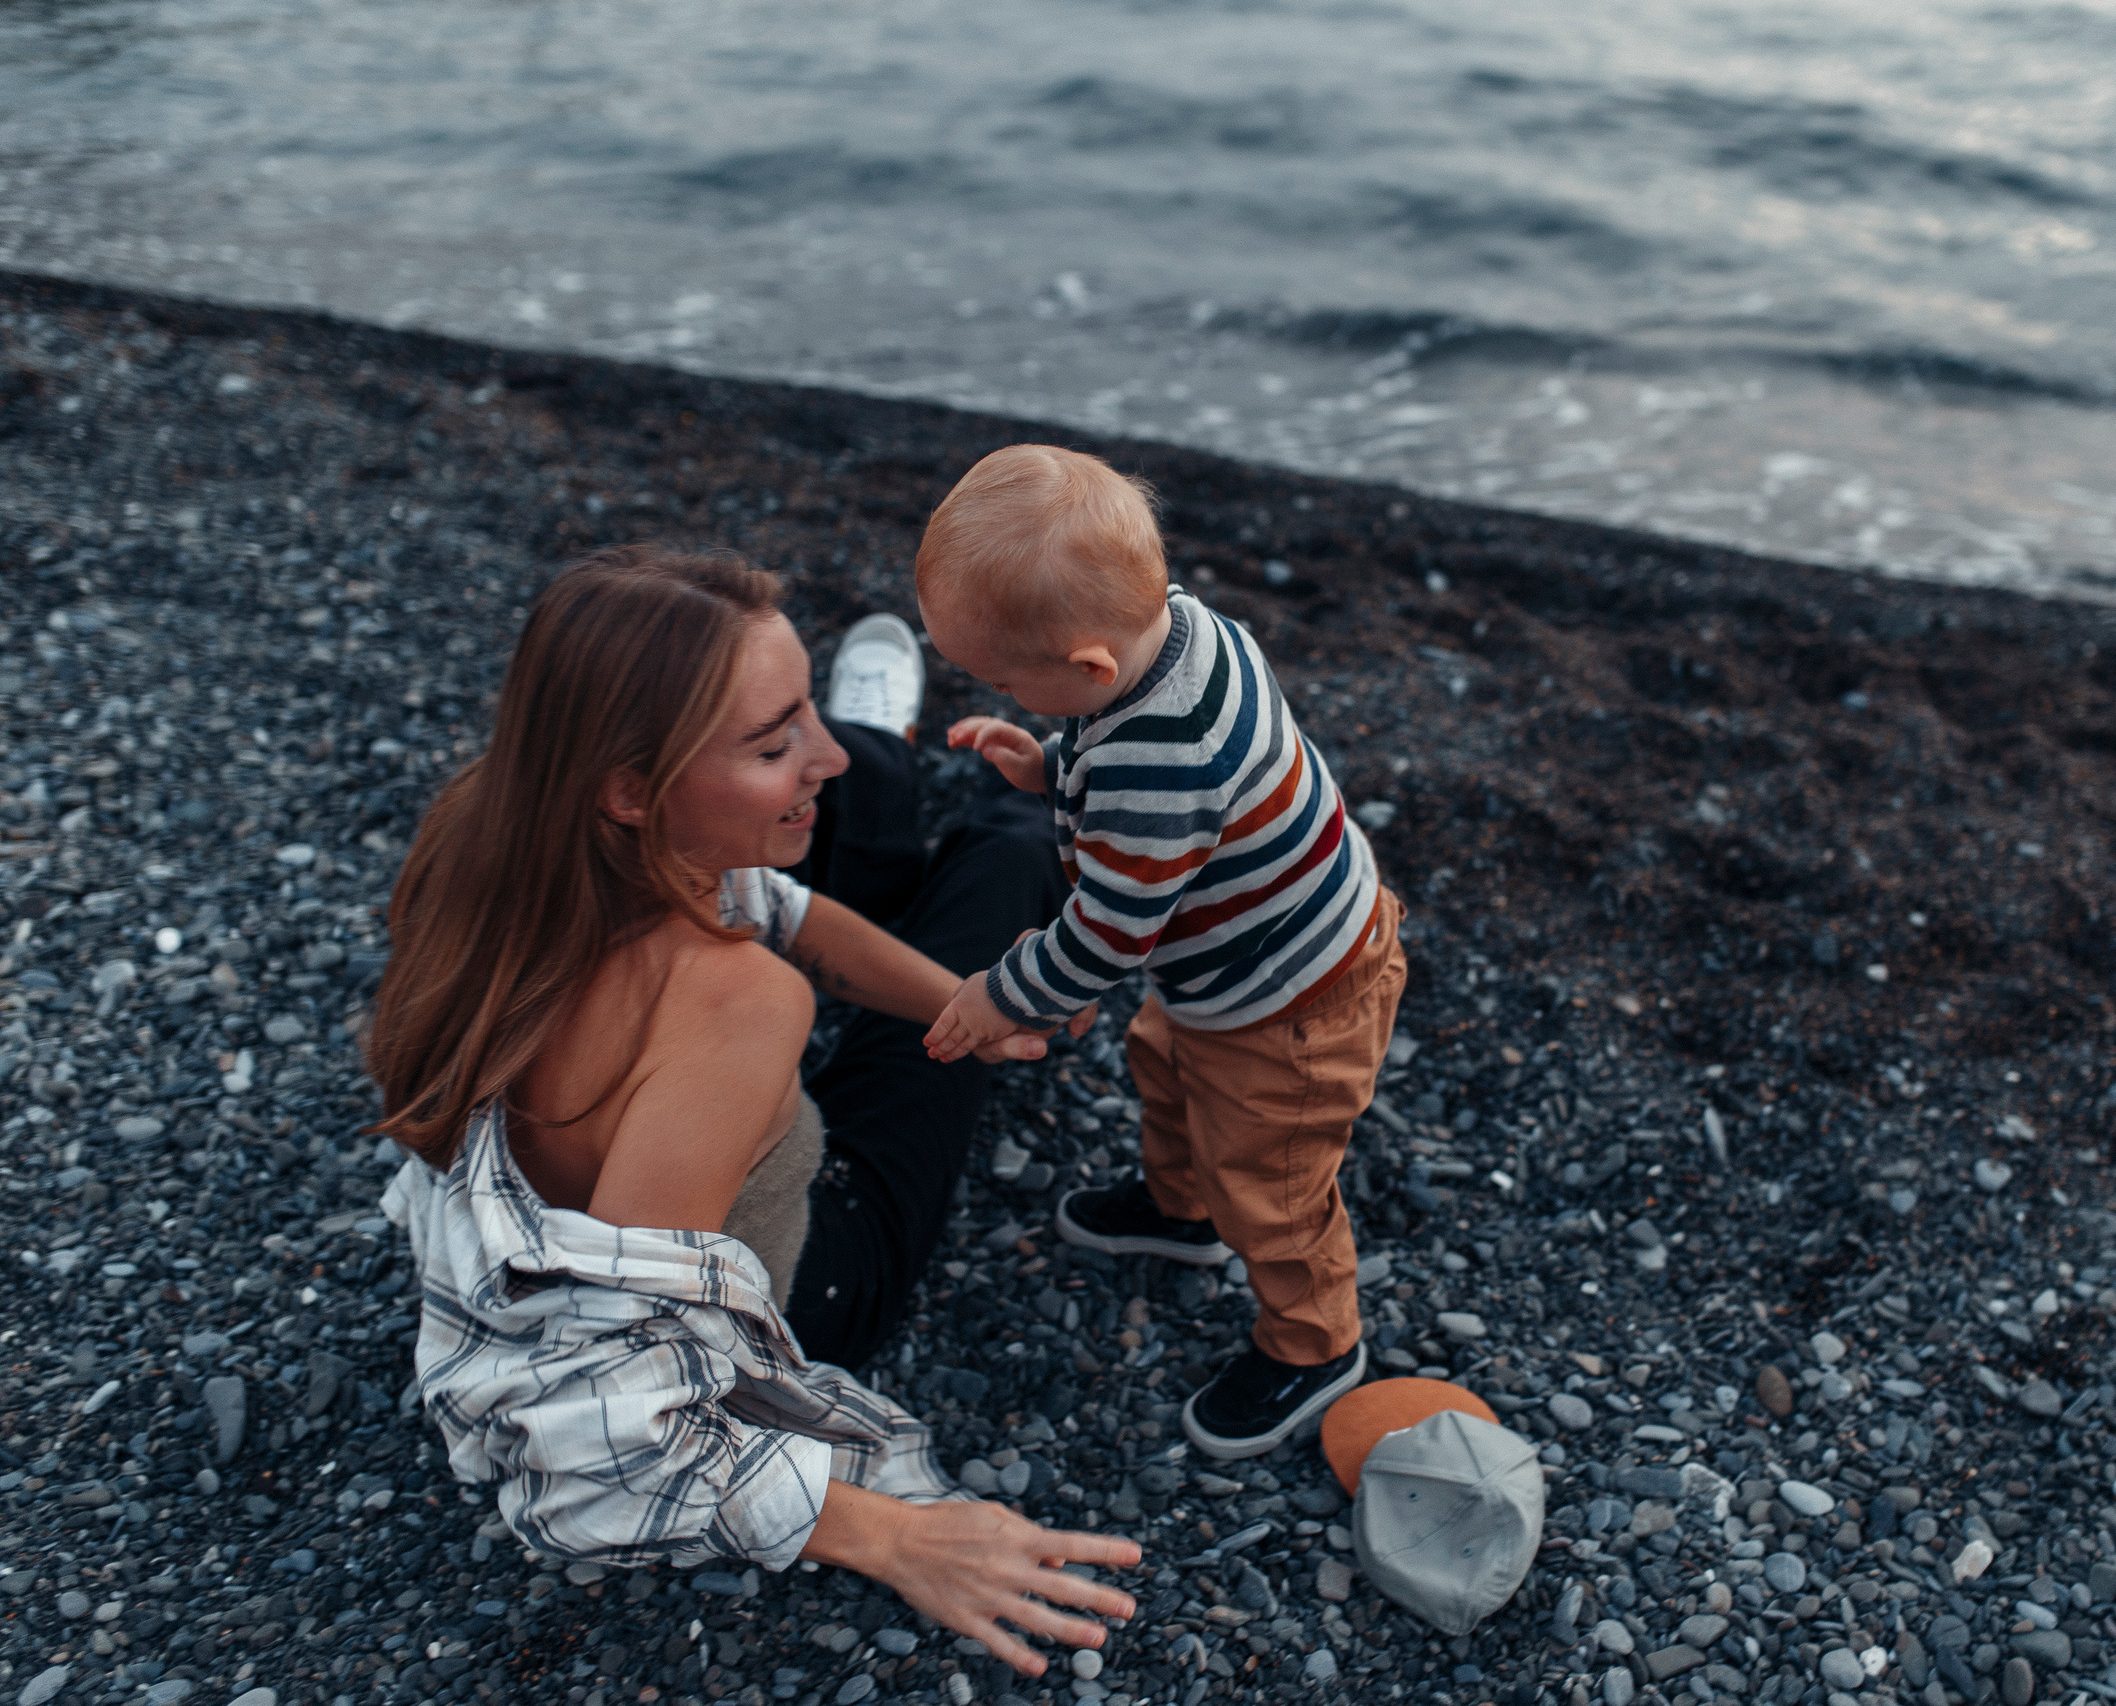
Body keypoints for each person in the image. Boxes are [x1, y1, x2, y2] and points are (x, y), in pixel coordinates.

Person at [369, 545, 1138, 1678]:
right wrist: (899, 1536)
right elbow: (626, 1399)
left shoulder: (493, 824)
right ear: (629, 789)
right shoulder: (735, 1005)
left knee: (847, 820)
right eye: (775, 739)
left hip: (684, 1126)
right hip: (821, 1260)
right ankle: (976, 791)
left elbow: (789, 916)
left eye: (806, 718)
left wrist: (968, 1007)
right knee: (1005, 854)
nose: (803, 751)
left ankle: (887, 756)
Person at [914, 445, 1408, 1461]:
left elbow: (1104, 932)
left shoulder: (1157, 755)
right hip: (1234, 961)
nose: (989, 688)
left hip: (1291, 998)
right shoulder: (1179, 628)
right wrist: (1047, 765)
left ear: (1088, 667)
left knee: (1269, 1179)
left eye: (1001, 677)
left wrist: (1002, 996)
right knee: (1166, 1067)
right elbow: (1133, 787)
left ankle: (1317, 1345)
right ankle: (1178, 1209)